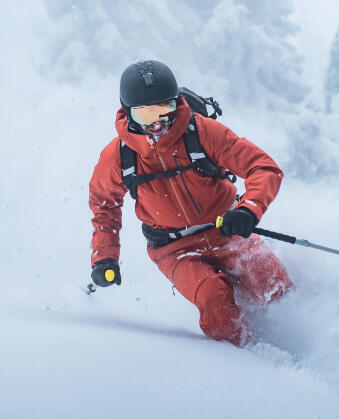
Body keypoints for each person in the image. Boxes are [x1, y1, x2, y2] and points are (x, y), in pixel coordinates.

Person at [88, 60, 292, 346]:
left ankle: (295, 346)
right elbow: (104, 204)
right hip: (174, 249)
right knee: (213, 295)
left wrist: (248, 209)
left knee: (272, 282)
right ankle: (243, 363)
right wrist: (104, 257)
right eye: (145, 114)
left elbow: (264, 168)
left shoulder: (202, 132)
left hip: (226, 231)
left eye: (164, 109)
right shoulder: (120, 156)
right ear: (128, 113)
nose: (157, 122)